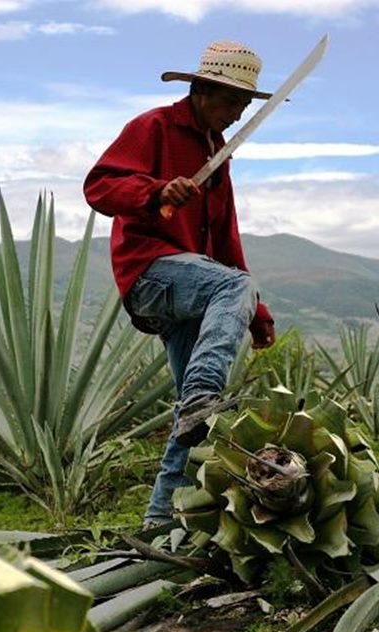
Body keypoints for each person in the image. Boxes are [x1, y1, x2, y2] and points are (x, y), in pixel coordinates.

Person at [83, 40, 277, 528]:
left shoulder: (219, 155)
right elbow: (99, 187)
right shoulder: (153, 127)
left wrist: (258, 314)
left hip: (193, 286)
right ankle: (203, 396)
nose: (237, 113)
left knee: (191, 423)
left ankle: (159, 522)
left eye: (244, 105)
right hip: (151, 271)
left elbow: (224, 240)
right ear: (203, 90)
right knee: (201, 393)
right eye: (231, 101)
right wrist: (154, 191)